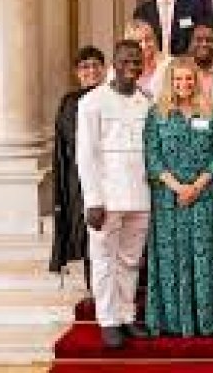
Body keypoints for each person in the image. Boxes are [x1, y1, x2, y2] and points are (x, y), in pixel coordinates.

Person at [143, 57, 213, 338]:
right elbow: (152, 156)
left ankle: (205, 320)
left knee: (203, 257)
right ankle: (172, 321)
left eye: (189, 78)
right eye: (178, 79)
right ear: (170, 81)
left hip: (203, 196)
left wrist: (196, 186)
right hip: (167, 198)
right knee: (171, 258)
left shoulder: (210, 113)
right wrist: (178, 187)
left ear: (197, 80)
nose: (184, 84)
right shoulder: (157, 114)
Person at [76, 40, 151, 349]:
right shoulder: (93, 101)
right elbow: (86, 154)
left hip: (140, 194)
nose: (132, 66)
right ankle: (107, 320)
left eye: (137, 61)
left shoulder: (146, 101)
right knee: (104, 259)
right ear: (114, 65)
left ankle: (125, 315)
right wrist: (93, 199)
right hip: (107, 196)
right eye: (126, 61)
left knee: (130, 260)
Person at [49, 46, 106, 283]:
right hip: (78, 177)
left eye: (95, 65)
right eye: (85, 66)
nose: (90, 71)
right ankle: (92, 289)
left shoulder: (110, 96)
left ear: (104, 69)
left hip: (107, 175)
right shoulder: (69, 101)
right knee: (86, 236)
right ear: (77, 72)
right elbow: (67, 139)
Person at [110, 20, 172, 100]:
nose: (144, 45)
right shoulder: (117, 68)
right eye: (139, 41)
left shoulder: (168, 64)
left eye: (148, 39)